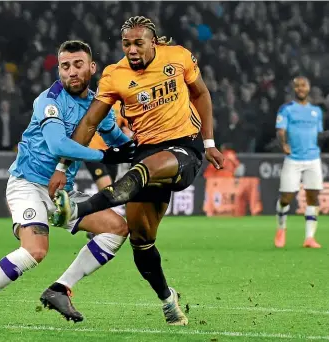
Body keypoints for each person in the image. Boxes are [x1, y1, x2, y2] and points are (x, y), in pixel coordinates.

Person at [0, 40, 134, 327]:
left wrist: (143, 150)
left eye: (78, 65)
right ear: (58, 69)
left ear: (92, 68)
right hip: (28, 185)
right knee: (36, 250)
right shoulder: (49, 100)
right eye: (65, 66)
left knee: (117, 229)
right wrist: (104, 154)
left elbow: (121, 143)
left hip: (62, 194)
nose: (71, 71)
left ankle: (60, 289)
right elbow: (58, 144)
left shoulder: (98, 106)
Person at [48, 16, 224, 326]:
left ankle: (81, 207)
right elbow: (89, 123)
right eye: (126, 44)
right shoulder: (114, 76)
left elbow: (201, 94)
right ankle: (168, 300)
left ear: (153, 42)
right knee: (141, 239)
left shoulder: (178, 57)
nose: (131, 49)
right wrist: (64, 163)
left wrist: (209, 142)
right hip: (146, 151)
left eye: (138, 43)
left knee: (147, 168)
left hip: (185, 148)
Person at [274, 76, 325, 249]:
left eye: (303, 85)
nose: (301, 89)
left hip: (313, 158)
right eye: (297, 86)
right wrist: (283, 144)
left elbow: (318, 134)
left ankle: (309, 238)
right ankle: (281, 228)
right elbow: (280, 130)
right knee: (286, 198)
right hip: (293, 158)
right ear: (294, 89)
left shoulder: (316, 111)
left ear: (309, 88)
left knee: (313, 197)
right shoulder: (286, 109)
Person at [85, 102, 132, 239]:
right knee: (105, 186)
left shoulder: (120, 106)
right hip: (93, 151)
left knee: (107, 192)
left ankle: (96, 226)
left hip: (112, 153)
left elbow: (127, 126)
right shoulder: (95, 103)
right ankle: (100, 226)